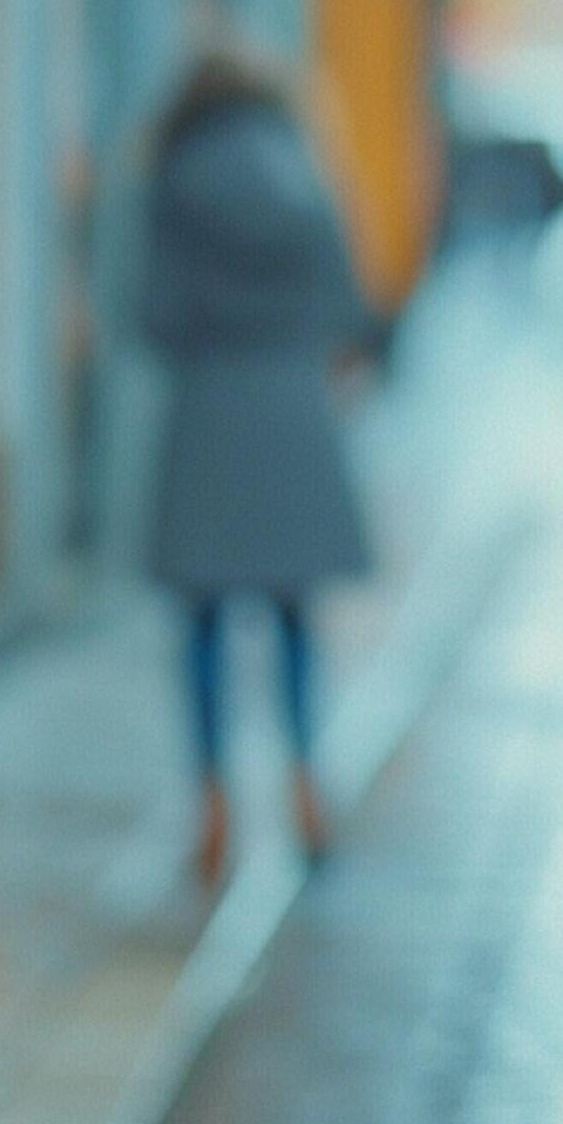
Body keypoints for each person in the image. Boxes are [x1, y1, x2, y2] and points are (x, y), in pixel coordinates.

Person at [140, 43, 377, 884]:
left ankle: (211, 803)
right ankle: (306, 782)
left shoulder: (173, 176)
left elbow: (149, 310)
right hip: (293, 407)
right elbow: (352, 301)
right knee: (291, 613)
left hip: (206, 407)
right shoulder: (306, 169)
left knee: (201, 619)